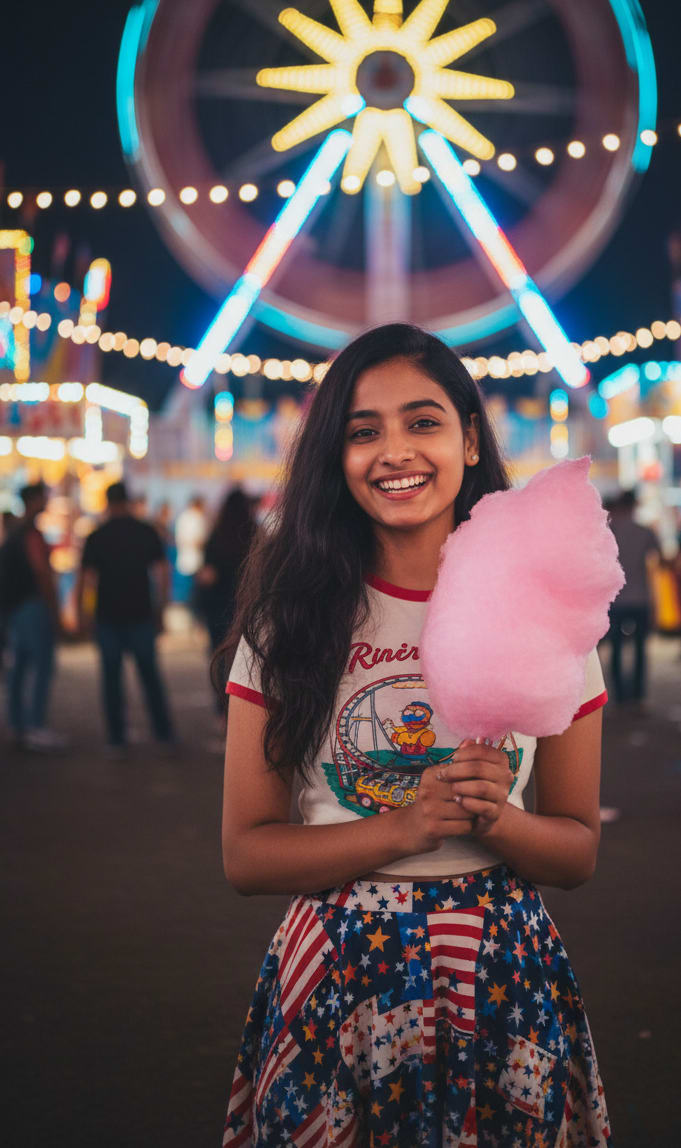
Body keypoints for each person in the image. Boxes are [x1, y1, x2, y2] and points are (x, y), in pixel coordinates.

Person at [220, 324, 612, 1146]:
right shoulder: (286, 622)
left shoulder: (548, 611)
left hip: (499, 965)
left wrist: (496, 818)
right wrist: (403, 827)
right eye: (362, 432)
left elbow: (575, 851)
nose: (393, 451)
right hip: (340, 962)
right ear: (336, 456)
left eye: (423, 422)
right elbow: (246, 855)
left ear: (469, 439)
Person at [76, 481, 175, 751]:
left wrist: (82, 614)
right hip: (141, 613)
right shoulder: (145, 531)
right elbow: (162, 574)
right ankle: (163, 734)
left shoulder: (97, 535)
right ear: (128, 501)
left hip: (107, 616)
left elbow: (85, 580)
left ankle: (116, 739)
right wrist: (161, 609)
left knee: (111, 679)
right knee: (150, 676)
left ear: (107, 503)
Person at [0, 483, 64, 750]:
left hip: (16, 608)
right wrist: (54, 609)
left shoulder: (15, 533)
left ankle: (18, 725)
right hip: (32, 607)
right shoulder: (30, 534)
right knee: (41, 666)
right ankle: (34, 726)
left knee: (20, 667)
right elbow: (42, 573)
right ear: (33, 500)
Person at [607, 489, 662, 704]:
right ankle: (638, 694)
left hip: (616, 600)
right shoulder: (645, 532)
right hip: (640, 599)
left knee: (617, 648)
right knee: (640, 649)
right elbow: (661, 559)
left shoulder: (608, 531)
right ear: (634, 506)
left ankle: (619, 695)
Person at [195, 488, 257, 655]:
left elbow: (207, 574)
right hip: (248, 605)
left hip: (219, 605)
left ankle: (222, 680)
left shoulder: (217, 535)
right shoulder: (255, 534)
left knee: (220, 653)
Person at [175, 494, 208, 603]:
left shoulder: (182, 517)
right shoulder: (198, 518)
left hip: (183, 559)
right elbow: (201, 540)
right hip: (196, 561)